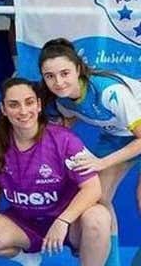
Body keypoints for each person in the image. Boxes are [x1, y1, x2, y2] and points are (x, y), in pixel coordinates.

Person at [0, 78, 112, 266]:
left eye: (29, 102)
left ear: (38, 105)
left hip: (69, 222)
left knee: (99, 217)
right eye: (14, 105)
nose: (23, 111)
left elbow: (93, 189)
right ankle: (29, 259)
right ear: (4, 110)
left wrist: (63, 221)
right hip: (26, 224)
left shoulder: (64, 140)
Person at [38, 39, 141, 266]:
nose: (59, 82)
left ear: (78, 69)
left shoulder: (109, 92)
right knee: (98, 198)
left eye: (65, 73)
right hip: (116, 136)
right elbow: (60, 131)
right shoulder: (63, 102)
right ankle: (112, 262)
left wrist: (102, 163)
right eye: (50, 76)